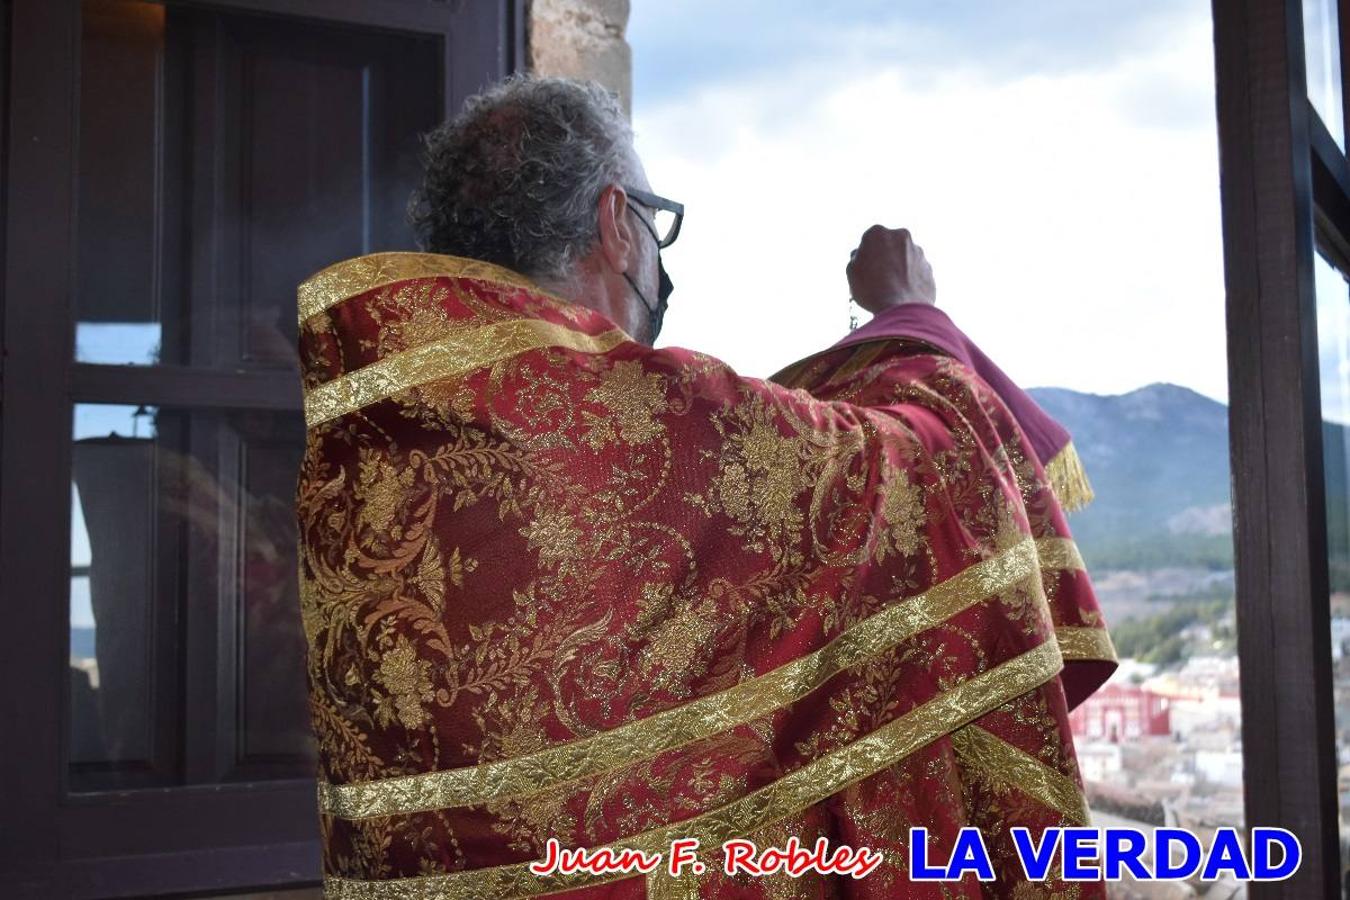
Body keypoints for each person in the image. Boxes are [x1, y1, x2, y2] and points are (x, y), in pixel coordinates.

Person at [295, 74, 1116, 899]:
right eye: (656, 224)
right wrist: (910, 313)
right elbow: (926, 470)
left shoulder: (373, 443)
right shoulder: (656, 422)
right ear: (617, 223)